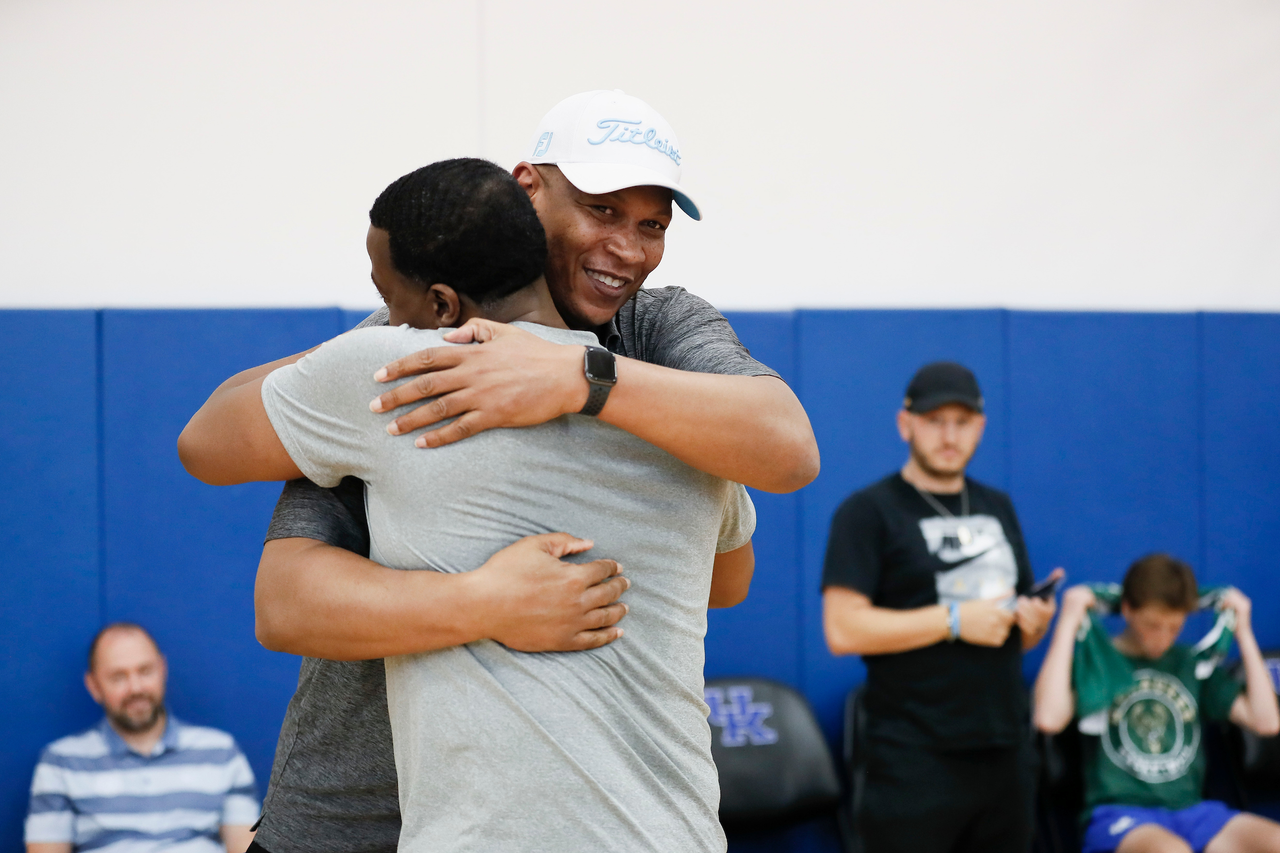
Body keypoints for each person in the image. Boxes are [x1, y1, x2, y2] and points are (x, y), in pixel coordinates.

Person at [179, 90, 816, 853]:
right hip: (349, 821)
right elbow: (286, 604)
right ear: (529, 189)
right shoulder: (410, 362)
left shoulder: (667, 345)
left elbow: (764, 495)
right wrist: (487, 602)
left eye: (651, 225)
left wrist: (586, 379)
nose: (626, 247)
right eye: (601, 209)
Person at [820, 361, 1059, 853]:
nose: (949, 435)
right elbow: (842, 630)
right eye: (934, 420)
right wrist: (953, 619)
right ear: (905, 423)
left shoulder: (997, 506)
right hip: (914, 758)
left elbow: (1020, 633)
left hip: (1005, 752)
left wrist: (1034, 623)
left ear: (981, 427)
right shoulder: (868, 511)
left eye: (963, 422)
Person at [1033, 554, 1280, 853]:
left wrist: (1243, 630)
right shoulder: (1099, 662)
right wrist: (1069, 621)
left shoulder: (1191, 663)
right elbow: (1047, 717)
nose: (1163, 637)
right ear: (1127, 610)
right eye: (1153, 625)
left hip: (1193, 812)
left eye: (1174, 627)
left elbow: (1267, 722)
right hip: (1120, 815)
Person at [25, 623, 259, 853]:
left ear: (162, 669)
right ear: (94, 686)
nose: (135, 688)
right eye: (118, 677)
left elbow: (243, 846)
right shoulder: (60, 762)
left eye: (145, 671)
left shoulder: (221, 751)